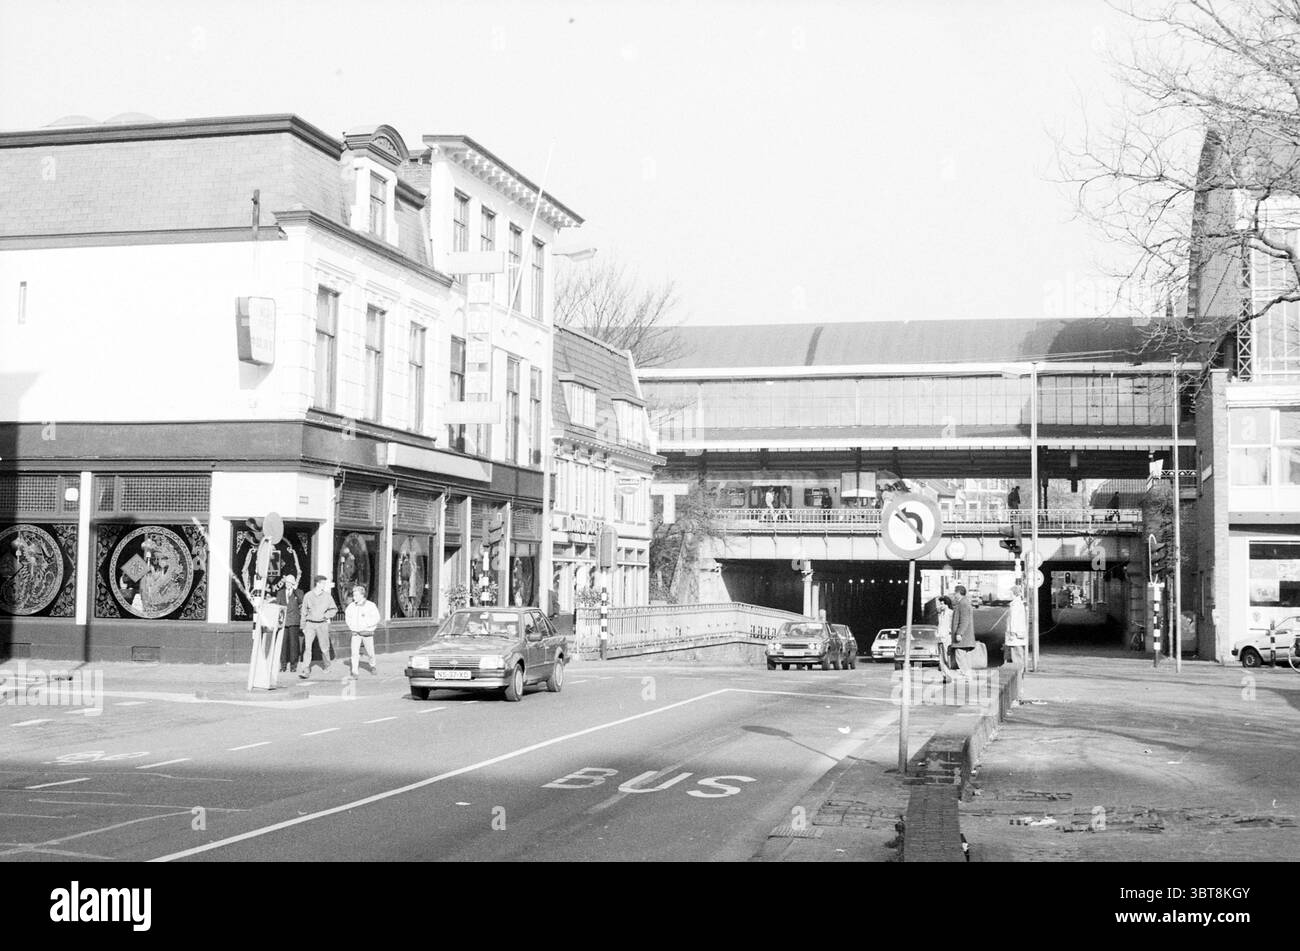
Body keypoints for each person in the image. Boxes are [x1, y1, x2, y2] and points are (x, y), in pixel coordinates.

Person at [299, 575, 337, 680]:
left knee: (324, 647)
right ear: (318, 583)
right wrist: (303, 626)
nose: (324, 585)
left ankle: (327, 665)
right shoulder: (308, 596)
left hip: (322, 624)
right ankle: (306, 668)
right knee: (307, 648)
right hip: (310, 624)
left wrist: (326, 616)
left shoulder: (327, 597)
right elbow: (303, 612)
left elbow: (334, 609)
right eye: (323, 583)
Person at [345, 584, 381, 679]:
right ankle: (355, 671)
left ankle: (372, 665)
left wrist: (367, 625)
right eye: (353, 595)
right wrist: (352, 627)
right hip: (355, 633)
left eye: (356, 595)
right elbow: (347, 617)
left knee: (370, 652)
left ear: (362, 595)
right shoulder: (351, 606)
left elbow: (376, 618)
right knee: (354, 652)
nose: (354, 597)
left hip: (366, 633)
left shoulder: (370, 605)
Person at [277, 574, 303, 673]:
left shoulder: (298, 592)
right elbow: (278, 606)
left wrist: (295, 590)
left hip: (294, 622)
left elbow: (302, 601)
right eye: (286, 582)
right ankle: (283, 665)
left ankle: (293, 665)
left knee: (293, 644)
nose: (288, 584)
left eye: (290, 582)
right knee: (283, 644)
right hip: (283, 622)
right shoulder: (280, 593)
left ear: (293, 583)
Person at [950, 584, 977, 676]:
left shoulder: (963, 603)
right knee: (963, 655)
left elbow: (964, 620)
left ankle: (965, 672)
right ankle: (966, 672)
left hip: (963, 636)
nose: (954, 595)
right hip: (965, 636)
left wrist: (959, 633)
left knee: (960, 654)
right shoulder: (964, 602)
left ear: (958, 593)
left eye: (955, 593)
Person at [1004, 584, 1028, 668]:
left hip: (1015, 635)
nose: (1009, 595)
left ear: (1014, 593)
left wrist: (1012, 633)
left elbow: (1013, 620)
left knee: (1016, 655)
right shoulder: (1019, 603)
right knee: (1018, 654)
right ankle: (1019, 671)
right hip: (1019, 634)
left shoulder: (1015, 605)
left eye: (1010, 593)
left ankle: (1018, 673)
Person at [935, 595, 956, 683]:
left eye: (943, 604)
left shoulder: (951, 613)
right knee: (941, 658)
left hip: (947, 637)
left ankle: (950, 676)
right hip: (940, 637)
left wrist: (950, 632)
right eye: (940, 604)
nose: (941, 605)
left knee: (947, 658)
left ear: (947, 604)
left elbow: (953, 625)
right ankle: (944, 675)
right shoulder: (941, 614)